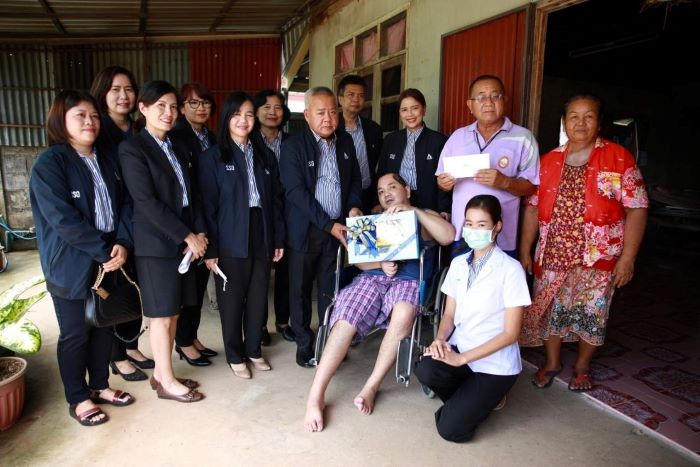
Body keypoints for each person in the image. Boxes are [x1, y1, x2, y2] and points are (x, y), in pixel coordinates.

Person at [304, 173, 455, 433]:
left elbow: (448, 236)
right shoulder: (375, 219)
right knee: (346, 315)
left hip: (408, 281)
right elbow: (361, 261)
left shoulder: (423, 214)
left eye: (392, 187)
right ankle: (315, 395)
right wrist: (380, 264)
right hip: (372, 278)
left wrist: (413, 211)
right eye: (380, 190)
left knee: (404, 314)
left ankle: (371, 386)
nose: (386, 193)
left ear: (407, 189)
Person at [519, 93, 648, 391]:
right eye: (574, 116)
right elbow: (533, 207)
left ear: (599, 123)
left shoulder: (618, 157)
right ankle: (552, 362)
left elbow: (637, 208)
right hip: (553, 253)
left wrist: (628, 258)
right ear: (564, 122)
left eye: (588, 116)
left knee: (591, 313)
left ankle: (582, 366)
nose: (580, 122)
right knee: (552, 310)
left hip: (598, 257)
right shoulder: (549, 161)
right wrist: (526, 249)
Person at [30, 90, 135, 426]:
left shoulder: (107, 157)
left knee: (104, 323)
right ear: (62, 121)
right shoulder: (51, 163)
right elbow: (62, 219)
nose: (89, 122)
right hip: (71, 261)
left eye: (93, 115)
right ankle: (77, 398)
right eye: (80, 115)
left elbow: (126, 204)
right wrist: (103, 250)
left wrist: (122, 241)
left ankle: (101, 385)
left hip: (110, 256)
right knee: (76, 332)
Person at [415, 195, 531, 443]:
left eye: (481, 224)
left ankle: (486, 398)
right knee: (426, 367)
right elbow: (448, 314)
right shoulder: (458, 264)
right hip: (462, 347)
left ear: (497, 226)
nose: (473, 230)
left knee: (450, 430)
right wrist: (438, 341)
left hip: (495, 364)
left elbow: (511, 334)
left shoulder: (511, 269)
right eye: (469, 223)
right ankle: (470, 400)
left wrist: (461, 359)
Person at [119, 80, 208, 402]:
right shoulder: (133, 149)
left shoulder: (177, 146)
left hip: (182, 243)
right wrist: (186, 235)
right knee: (160, 315)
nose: (168, 113)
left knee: (173, 313)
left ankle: (162, 374)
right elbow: (146, 201)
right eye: (160, 106)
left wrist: (197, 234)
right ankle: (167, 383)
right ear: (142, 109)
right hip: (156, 246)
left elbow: (191, 194)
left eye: (172, 107)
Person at [199, 91, 285, 379]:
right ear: (227, 118)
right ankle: (235, 354)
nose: (244, 120)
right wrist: (210, 249)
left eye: (249, 114)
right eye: (237, 114)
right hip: (228, 234)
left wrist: (278, 239)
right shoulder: (213, 157)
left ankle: (253, 350)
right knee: (232, 299)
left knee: (259, 295)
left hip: (261, 229)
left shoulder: (265, 155)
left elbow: (275, 201)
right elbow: (207, 206)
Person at [279, 86, 363, 368]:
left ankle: (328, 339)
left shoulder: (346, 143)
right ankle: (304, 341)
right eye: (320, 112)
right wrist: (328, 224)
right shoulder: (293, 146)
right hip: (306, 230)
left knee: (330, 288)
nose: (328, 118)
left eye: (332, 111)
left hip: (337, 228)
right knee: (300, 289)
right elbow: (295, 192)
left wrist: (352, 208)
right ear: (306, 115)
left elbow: (353, 181)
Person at [90, 65, 154, 381]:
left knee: (136, 286)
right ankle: (116, 355)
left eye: (128, 89)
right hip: (112, 224)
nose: (123, 95)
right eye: (115, 89)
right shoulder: (98, 133)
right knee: (114, 289)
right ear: (103, 94)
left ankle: (131, 345)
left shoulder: (139, 130)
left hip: (139, 221)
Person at [435, 74, 539, 257]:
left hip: (502, 234)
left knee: (499, 283)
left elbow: (531, 187)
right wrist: (444, 184)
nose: (488, 102)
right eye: (481, 97)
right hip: (463, 232)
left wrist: (505, 182)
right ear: (470, 105)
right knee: (463, 281)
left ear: (504, 100)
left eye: (495, 96)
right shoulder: (457, 137)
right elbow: (441, 180)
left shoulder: (523, 138)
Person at [170, 82, 218, 366]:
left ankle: (193, 336)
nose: (200, 108)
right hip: (188, 223)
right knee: (187, 289)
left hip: (207, 218)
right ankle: (184, 342)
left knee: (198, 286)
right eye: (193, 103)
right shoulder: (176, 137)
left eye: (205, 103)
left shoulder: (210, 137)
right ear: (182, 107)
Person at [251, 89, 295, 345]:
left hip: (289, 214)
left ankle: (283, 322)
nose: (272, 112)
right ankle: (258, 325)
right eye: (266, 107)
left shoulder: (292, 142)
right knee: (260, 274)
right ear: (256, 112)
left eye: (278, 107)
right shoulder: (250, 143)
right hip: (261, 215)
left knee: (286, 273)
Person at [378, 88, 450, 216]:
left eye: (415, 108)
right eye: (404, 110)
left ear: (424, 110)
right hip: (396, 207)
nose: (410, 114)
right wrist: (379, 203)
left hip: (430, 206)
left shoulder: (439, 141)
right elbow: (382, 174)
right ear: (400, 113)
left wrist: (444, 209)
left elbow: (445, 178)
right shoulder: (391, 140)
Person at [337, 75, 383, 213]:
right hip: (339, 197)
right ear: (340, 99)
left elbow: (379, 167)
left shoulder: (374, 129)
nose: (356, 99)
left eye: (361, 95)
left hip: (368, 196)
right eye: (351, 95)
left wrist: (377, 199)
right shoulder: (331, 128)